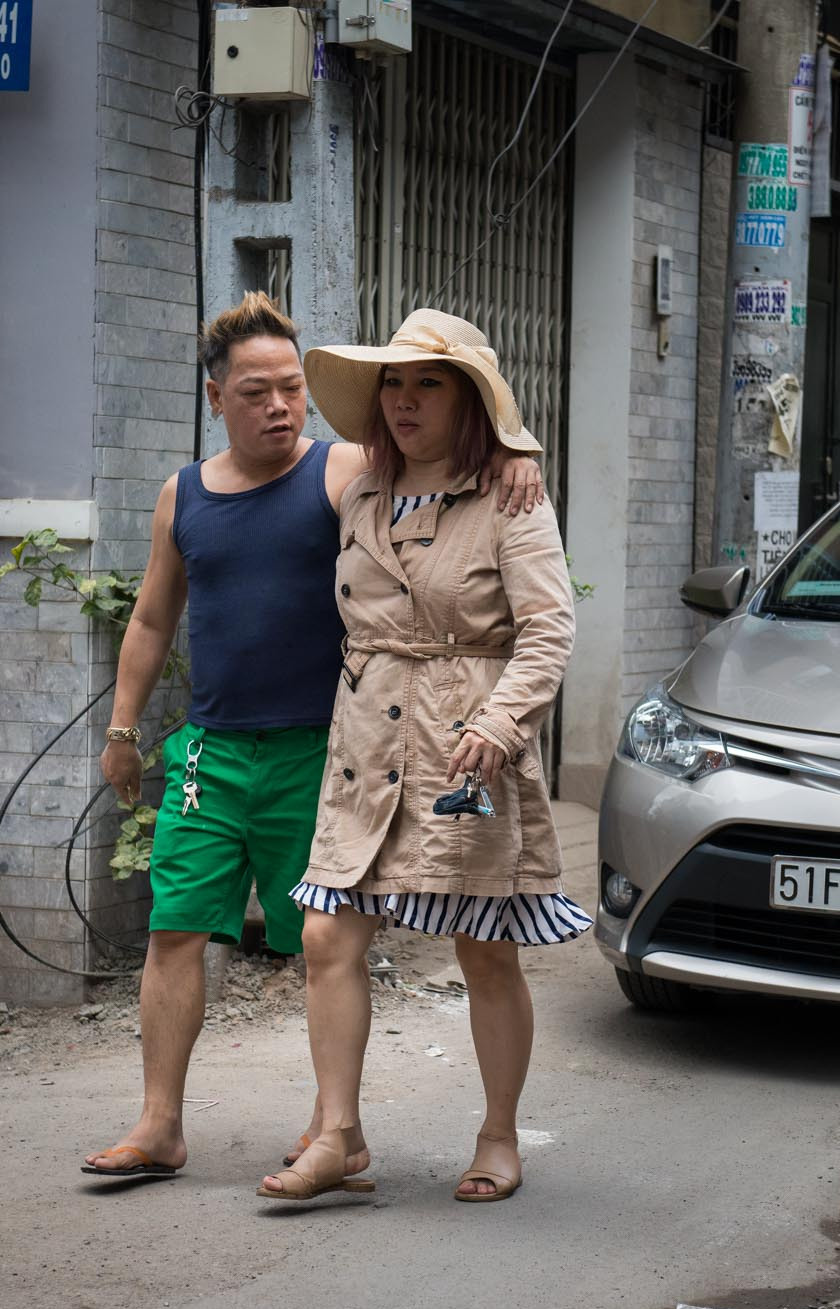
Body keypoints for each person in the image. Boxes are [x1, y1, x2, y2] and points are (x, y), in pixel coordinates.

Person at [81, 294, 542, 1181]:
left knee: (323, 943)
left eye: (292, 387)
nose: (280, 406)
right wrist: (123, 728)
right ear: (216, 398)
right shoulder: (183, 494)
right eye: (256, 392)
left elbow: (446, 445)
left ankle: (335, 1127)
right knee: (175, 928)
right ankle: (160, 1124)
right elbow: (148, 619)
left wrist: (518, 452)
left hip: (326, 751)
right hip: (210, 752)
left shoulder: (341, 475)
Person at [258, 309, 583, 1205]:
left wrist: (504, 720)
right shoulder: (362, 487)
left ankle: (498, 1133)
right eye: (391, 384)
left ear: (469, 398)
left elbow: (550, 631)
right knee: (327, 931)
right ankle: (338, 1134)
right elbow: (263, 460)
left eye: (427, 383)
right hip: (366, 740)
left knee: (484, 947)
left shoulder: (512, 496)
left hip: (464, 748)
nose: (403, 401)